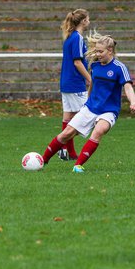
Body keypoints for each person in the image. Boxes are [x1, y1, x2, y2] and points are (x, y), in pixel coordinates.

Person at [42, 32, 135, 173]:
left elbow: (128, 86)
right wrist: (87, 100)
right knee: (66, 134)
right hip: (91, 107)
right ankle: (42, 161)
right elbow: (93, 84)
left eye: (101, 51)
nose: (98, 54)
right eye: (96, 51)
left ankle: (78, 165)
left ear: (110, 50)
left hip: (109, 111)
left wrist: (133, 102)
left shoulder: (119, 68)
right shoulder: (95, 66)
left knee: (98, 131)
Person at [58, 8, 92, 161]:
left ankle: (68, 152)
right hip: (74, 83)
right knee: (86, 117)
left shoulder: (70, 37)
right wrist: (89, 79)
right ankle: (61, 146)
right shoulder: (77, 37)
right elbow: (77, 62)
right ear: (83, 21)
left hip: (66, 82)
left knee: (69, 117)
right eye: (88, 18)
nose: (89, 21)